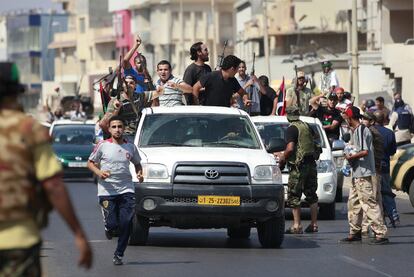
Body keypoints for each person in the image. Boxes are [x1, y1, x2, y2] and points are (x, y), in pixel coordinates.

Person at [0, 62, 92, 276]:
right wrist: (78, 233)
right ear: (16, 93)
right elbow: (53, 185)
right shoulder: (29, 129)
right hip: (19, 240)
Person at [88, 115, 143, 265]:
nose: (117, 130)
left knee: (127, 223)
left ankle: (119, 254)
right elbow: (91, 163)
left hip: (126, 189)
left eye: (120, 126)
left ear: (124, 129)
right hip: (107, 191)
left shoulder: (130, 146)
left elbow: (137, 163)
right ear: (109, 129)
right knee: (113, 226)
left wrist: (139, 173)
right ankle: (108, 225)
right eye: (114, 127)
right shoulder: (102, 145)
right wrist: (99, 173)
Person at [339, 106, 388, 245]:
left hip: (364, 173)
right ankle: (355, 232)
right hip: (357, 173)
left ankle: (380, 233)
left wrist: (351, 157)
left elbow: (364, 151)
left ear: (350, 117)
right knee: (353, 204)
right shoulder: (356, 131)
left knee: (369, 203)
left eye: (346, 118)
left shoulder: (360, 130)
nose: (346, 121)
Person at [273, 106, 319, 234]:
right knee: (312, 195)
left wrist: (282, 158)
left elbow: (290, 148)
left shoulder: (292, 128)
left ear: (288, 116)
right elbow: (314, 139)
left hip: (298, 167)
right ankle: (314, 224)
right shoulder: (306, 126)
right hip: (311, 164)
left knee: (294, 196)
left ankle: (297, 225)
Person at [99, 74, 164, 142]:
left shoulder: (139, 97)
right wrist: (116, 109)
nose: (128, 85)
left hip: (139, 135)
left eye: (131, 83)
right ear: (122, 85)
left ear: (135, 86)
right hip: (125, 136)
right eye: (126, 83)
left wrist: (159, 88)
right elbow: (103, 124)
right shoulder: (116, 101)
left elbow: (159, 92)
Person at [374, 110, 400, 227]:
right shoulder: (389, 133)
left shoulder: (370, 131)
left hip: (372, 167)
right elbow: (392, 151)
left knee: (374, 194)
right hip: (384, 166)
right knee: (386, 191)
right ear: (384, 120)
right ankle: (393, 215)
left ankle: (378, 218)